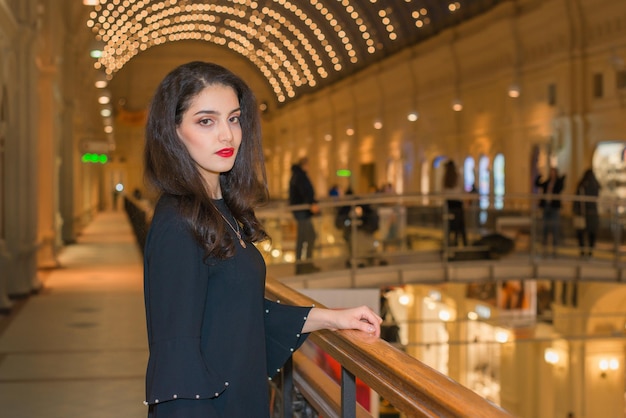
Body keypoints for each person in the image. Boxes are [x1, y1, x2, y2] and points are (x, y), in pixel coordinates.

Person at [142, 61, 382, 418]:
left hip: (237, 398)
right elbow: (176, 354)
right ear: (172, 131)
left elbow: (238, 313)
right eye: (206, 121)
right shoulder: (179, 223)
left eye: (234, 118)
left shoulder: (216, 209)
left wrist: (331, 318)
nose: (227, 135)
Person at [289, 157, 320, 274]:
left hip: (303, 211)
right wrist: (311, 203)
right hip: (302, 211)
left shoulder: (298, 175)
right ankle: (303, 265)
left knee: (307, 237)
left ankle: (305, 263)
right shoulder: (300, 176)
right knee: (305, 238)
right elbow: (304, 192)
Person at [535, 167, 566, 257]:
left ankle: (554, 250)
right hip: (546, 207)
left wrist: (562, 179)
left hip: (554, 208)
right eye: (551, 172)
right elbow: (537, 184)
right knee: (545, 228)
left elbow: (560, 187)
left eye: (553, 172)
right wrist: (539, 176)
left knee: (555, 228)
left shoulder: (558, 183)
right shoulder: (547, 182)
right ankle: (544, 249)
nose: (552, 174)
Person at [573, 169, 600, 257]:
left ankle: (584, 250)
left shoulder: (582, 185)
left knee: (583, 233)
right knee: (590, 233)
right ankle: (589, 251)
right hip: (590, 213)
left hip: (585, 213)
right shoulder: (593, 185)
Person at [442, 160, 467, 247]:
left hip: (449, 203)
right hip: (457, 202)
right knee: (460, 224)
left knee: (450, 224)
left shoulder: (445, 178)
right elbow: (462, 189)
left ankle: (450, 243)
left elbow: (443, 192)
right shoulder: (458, 176)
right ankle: (462, 242)